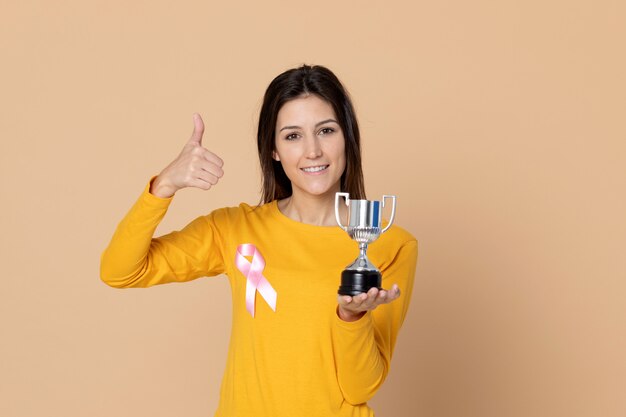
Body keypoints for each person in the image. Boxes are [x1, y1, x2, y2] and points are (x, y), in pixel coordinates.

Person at [100, 65, 418, 417]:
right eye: (293, 136)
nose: (312, 151)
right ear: (274, 150)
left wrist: (351, 318)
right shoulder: (235, 230)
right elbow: (120, 271)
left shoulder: (391, 245)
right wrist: (163, 186)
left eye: (326, 131)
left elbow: (361, 387)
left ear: (348, 138)